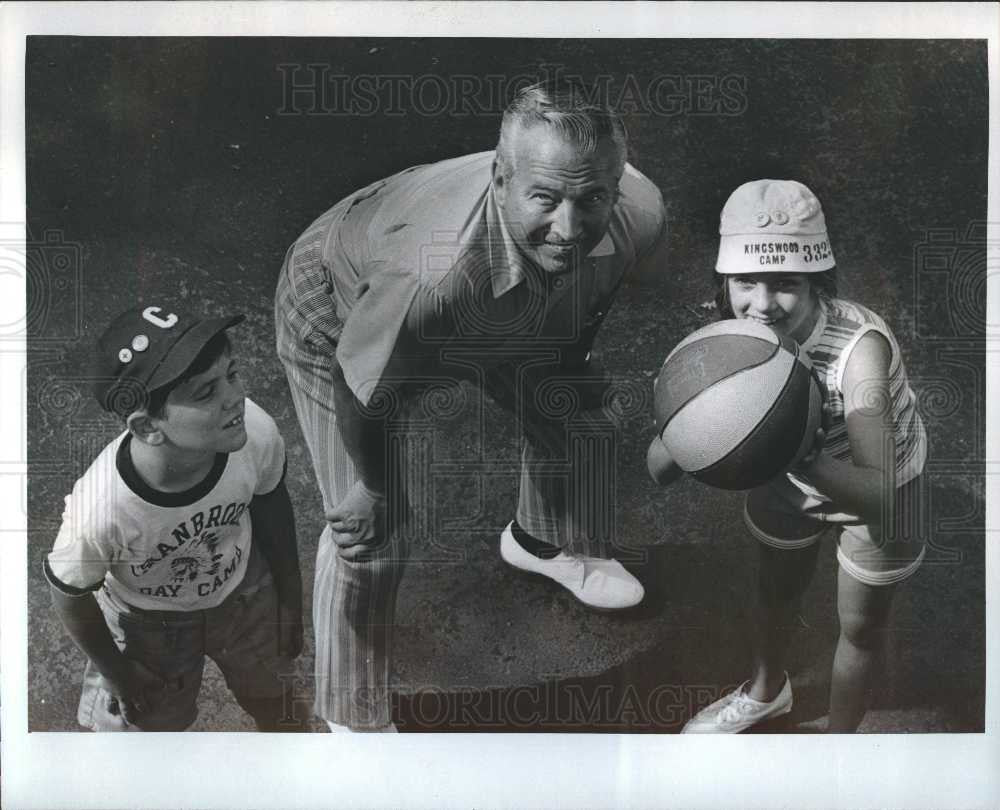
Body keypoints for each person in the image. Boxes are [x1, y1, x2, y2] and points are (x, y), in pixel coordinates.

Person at [275, 79, 668, 731]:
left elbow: (588, 300)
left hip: (496, 304)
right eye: (545, 197)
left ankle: (538, 543)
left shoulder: (637, 213)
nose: (569, 229)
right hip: (342, 312)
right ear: (501, 178)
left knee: (585, 416)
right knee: (372, 539)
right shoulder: (425, 277)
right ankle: (353, 720)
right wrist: (376, 489)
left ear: (617, 184)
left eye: (591, 198)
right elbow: (360, 386)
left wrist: (564, 373)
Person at [648, 179, 927, 733]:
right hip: (788, 484)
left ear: (817, 282)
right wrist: (687, 423)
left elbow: (879, 493)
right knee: (775, 593)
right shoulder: (731, 341)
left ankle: (838, 746)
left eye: (785, 285)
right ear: (724, 280)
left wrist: (793, 452)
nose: (761, 303)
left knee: (861, 627)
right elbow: (657, 467)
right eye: (745, 282)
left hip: (883, 490)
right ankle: (766, 692)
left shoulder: (858, 351)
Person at [46, 305, 305, 731]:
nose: (234, 397)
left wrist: (290, 594)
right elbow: (68, 592)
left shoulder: (253, 431)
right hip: (150, 624)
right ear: (148, 427)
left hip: (245, 596)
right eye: (206, 393)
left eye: (232, 373)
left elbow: (271, 500)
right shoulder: (101, 508)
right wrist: (117, 672)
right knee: (150, 731)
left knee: (277, 702)